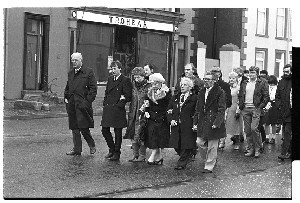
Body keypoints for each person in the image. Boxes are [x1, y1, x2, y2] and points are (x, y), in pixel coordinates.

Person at [193, 71, 226, 173]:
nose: (205, 81)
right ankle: (209, 159)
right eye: (205, 79)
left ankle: (209, 165)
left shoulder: (220, 92)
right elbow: (198, 108)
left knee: (212, 145)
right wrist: (195, 122)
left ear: (214, 81)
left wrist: (217, 122)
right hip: (202, 121)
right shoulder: (202, 91)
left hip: (213, 121)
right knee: (199, 142)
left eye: (208, 79)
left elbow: (221, 109)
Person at [64, 52, 97, 156]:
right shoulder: (70, 73)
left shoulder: (88, 72)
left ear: (81, 61)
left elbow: (93, 89)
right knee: (74, 128)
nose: (74, 62)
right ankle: (77, 149)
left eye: (76, 60)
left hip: (82, 104)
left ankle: (92, 145)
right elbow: (68, 86)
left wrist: (87, 102)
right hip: (72, 104)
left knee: (84, 127)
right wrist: (66, 97)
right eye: (72, 60)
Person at [101, 60, 133, 161]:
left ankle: (117, 152)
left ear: (120, 68)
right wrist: (105, 103)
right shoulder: (110, 79)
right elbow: (107, 92)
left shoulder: (125, 80)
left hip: (118, 109)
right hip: (109, 107)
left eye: (115, 68)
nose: (113, 70)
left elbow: (128, 95)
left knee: (117, 131)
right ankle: (111, 148)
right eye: (112, 68)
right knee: (104, 129)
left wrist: (120, 104)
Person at [238, 66, 269, 158]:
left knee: (253, 129)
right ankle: (251, 148)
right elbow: (241, 94)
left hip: (256, 108)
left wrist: (260, 107)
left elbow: (266, 97)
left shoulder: (262, 82)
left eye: (253, 73)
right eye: (250, 72)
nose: (251, 74)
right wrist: (241, 105)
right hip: (245, 108)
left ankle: (258, 148)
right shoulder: (244, 82)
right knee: (247, 130)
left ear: (257, 74)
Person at [167, 77, 198, 170]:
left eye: (185, 85)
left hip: (188, 124)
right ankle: (189, 153)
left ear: (190, 87)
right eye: (181, 85)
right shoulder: (175, 97)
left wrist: (195, 123)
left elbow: (197, 111)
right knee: (176, 144)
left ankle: (182, 162)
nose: (182, 87)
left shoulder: (194, 98)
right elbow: (169, 110)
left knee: (186, 143)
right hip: (176, 124)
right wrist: (171, 120)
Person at [123, 67, 151, 162]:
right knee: (133, 133)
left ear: (143, 76)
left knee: (142, 133)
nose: (136, 79)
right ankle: (135, 154)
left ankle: (142, 155)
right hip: (133, 112)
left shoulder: (148, 86)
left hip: (143, 113)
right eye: (135, 77)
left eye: (138, 77)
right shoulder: (133, 85)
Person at [144, 73, 172, 165]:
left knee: (158, 137)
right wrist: (146, 111)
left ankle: (152, 156)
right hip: (152, 117)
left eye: (156, 83)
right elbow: (147, 102)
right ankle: (159, 157)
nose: (154, 85)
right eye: (153, 83)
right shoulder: (150, 91)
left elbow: (169, 105)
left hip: (162, 117)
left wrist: (167, 116)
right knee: (152, 136)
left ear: (160, 83)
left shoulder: (166, 92)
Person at [210, 66, 232, 149]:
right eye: (212, 71)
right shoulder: (209, 83)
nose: (213, 73)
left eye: (215, 71)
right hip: (211, 108)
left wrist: (224, 107)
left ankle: (222, 140)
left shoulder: (225, 85)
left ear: (219, 73)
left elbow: (228, 99)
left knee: (221, 124)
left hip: (221, 108)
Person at [275, 64, 292, 160]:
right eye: (284, 71)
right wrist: (279, 106)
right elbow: (278, 96)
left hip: (291, 112)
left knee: (287, 132)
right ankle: (288, 152)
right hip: (283, 112)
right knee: (286, 133)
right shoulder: (281, 82)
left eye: (287, 71)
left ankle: (284, 152)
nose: (285, 73)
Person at [225, 72, 243, 150]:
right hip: (228, 107)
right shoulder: (227, 87)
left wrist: (238, 110)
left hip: (235, 107)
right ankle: (232, 138)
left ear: (236, 79)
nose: (231, 79)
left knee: (236, 125)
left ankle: (238, 141)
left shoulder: (238, 88)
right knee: (228, 124)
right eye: (230, 78)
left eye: (233, 78)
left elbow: (240, 100)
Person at [264, 75, 281, 144]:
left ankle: (273, 138)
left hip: (274, 105)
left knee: (273, 123)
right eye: (270, 83)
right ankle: (267, 137)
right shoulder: (266, 88)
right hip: (267, 104)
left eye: (273, 84)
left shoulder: (277, 88)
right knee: (266, 122)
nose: (271, 85)